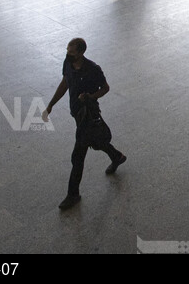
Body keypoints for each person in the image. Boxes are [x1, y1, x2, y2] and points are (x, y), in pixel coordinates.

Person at [43, 38, 126, 210]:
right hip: (77, 115)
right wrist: (51, 104)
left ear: (81, 53)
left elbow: (106, 88)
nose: (68, 54)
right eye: (67, 51)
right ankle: (116, 156)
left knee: (77, 156)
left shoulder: (93, 69)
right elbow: (65, 82)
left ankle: (73, 194)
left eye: (72, 52)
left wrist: (90, 96)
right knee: (96, 142)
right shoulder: (68, 63)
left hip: (88, 116)